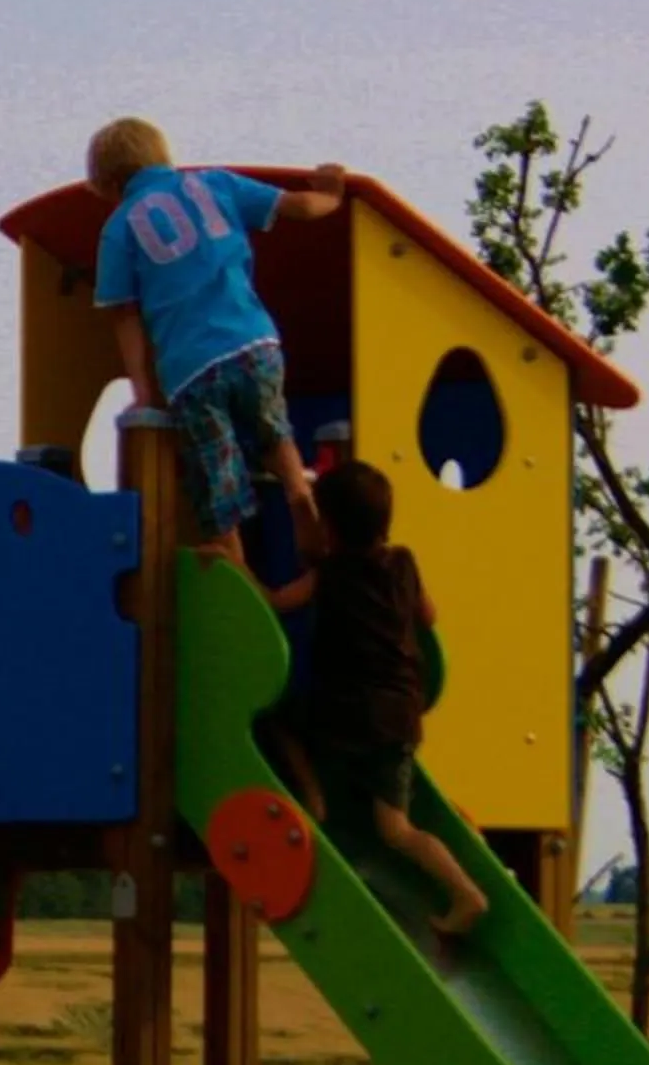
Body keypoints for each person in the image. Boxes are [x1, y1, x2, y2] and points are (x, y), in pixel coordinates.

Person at [88, 119, 345, 559]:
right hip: (255, 342)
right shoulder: (213, 182)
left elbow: (124, 316)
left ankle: (231, 552)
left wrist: (144, 391)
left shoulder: (119, 228)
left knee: (215, 467)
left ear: (113, 183)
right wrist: (332, 194)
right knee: (272, 431)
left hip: (191, 369)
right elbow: (299, 207)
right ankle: (298, 492)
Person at [265, 460, 491, 938]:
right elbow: (429, 615)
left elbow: (279, 602)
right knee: (396, 829)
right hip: (401, 716)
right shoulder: (404, 563)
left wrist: (235, 565)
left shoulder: (330, 574)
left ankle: (314, 799)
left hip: (347, 715)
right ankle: (466, 893)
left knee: (279, 721)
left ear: (328, 526)